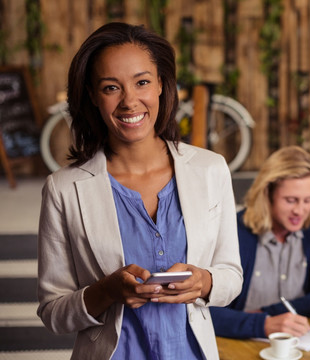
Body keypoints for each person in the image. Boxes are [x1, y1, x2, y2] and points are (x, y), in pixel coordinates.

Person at [36, 22, 242, 360]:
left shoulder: (210, 169)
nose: (130, 101)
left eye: (142, 82)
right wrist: (106, 292)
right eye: (111, 87)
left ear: (161, 84)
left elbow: (231, 277)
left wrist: (203, 281)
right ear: (92, 94)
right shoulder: (64, 189)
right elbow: (53, 312)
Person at [210, 146, 310, 339]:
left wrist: (272, 312)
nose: (300, 210)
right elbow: (205, 312)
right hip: (240, 342)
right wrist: (261, 324)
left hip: (295, 341)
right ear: (268, 194)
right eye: (291, 200)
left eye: (308, 200)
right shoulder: (234, 230)